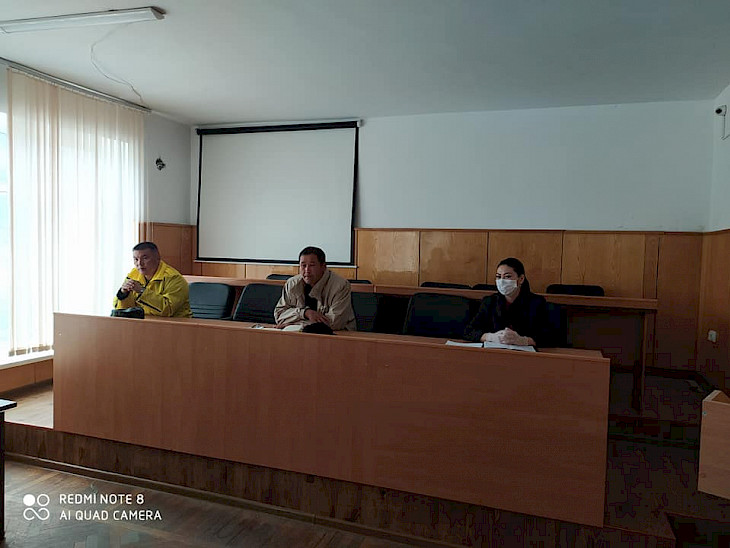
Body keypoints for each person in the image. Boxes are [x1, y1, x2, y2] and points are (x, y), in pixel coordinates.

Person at [463, 257, 551, 347]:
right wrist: (490, 337)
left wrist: (524, 340)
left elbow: (549, 337)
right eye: (498, 277)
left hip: (523, 352)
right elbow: (469, 331)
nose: (502, 281)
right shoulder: (489, 301)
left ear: (521, 279)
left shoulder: (537, 303)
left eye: (507, 276)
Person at [274, 246, 356, 330]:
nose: (307, 270)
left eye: (312, 265)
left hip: (338, 334)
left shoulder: (340, 285)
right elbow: (279, 315)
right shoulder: (292, 284)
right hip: (298, 333)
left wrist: (296, 325)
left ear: (323, 267)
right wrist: (305, 313)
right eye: (303, 265)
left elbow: (334, 323)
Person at [113, 242, 193, 318]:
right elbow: (122, 310)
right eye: (136, 259)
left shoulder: (174, 278)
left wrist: (142, 291)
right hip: (144, 322)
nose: (140, 263)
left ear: (157, 258)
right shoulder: (133, 274)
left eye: (145, 258)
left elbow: (167, 310)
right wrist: (123, 294)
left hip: (175, 324)